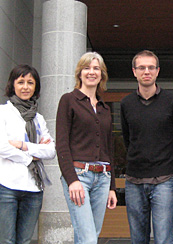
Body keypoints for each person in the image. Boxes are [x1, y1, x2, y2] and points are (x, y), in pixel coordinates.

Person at [0, 64, 56, 244]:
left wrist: (23, 145)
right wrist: (31, 155)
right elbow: (1, 148)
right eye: (21, 82)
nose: (25, 87)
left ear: (36, 87)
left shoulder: (38, 119)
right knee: (5, 241)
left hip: (33, 189)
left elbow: (50, 151)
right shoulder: (1, 112)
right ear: (13, 85)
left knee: (24, 241)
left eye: (30, 82)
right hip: (5, 188)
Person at [56, 52, 117, 244]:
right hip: (79, 176)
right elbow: (62, 144)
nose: (91, 72)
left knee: (89, 235)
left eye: (96, 68)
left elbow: (109, 149)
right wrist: (71, 180)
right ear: (79, 73)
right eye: (87, 68)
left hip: (103, 178)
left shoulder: (105, 109)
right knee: (88, 238)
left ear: (102, 74)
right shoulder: (68, 100)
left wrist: (112, 187)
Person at [120, 50, 173, 244]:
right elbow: (128, 139)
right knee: (138, 239)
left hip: (164, 179)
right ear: (134, 72)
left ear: (157, 71)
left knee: (164, 239)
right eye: (142, 68)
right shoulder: (126, 103)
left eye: (151, 67)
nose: (147, 71)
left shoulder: (171, 101)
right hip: (134, 181)